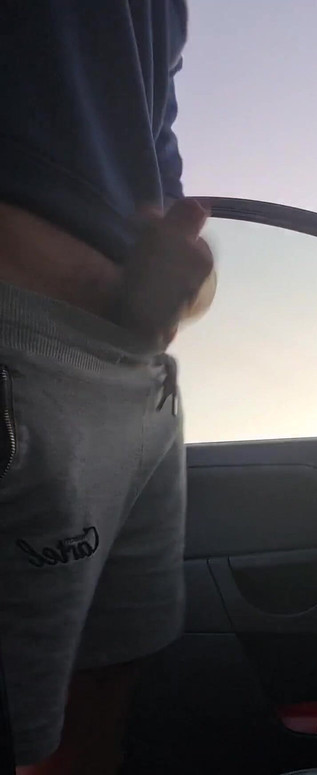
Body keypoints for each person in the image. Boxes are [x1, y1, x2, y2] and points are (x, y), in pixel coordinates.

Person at [0, 2, 214, 773]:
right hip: (20, 348)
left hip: (138, 380)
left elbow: (158, 162)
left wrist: (177, 286)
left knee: (100, 705)